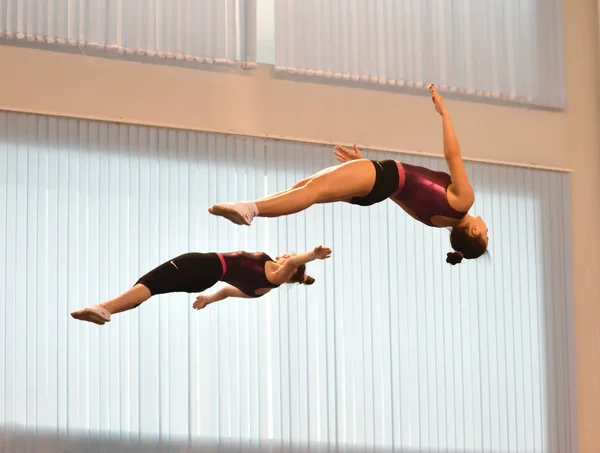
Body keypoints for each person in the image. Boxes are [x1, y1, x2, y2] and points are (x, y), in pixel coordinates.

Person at [209, 85, 488, 265]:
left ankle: (251, 209)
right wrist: (366, 171)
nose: (487, 229)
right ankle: (250, 208)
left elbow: (453, 156)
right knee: (306, 188)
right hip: (377, 185)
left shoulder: (464, 201)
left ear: (473, 232)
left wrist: (445, 114)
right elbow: (402, 194)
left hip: (381, 177)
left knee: (310, 190)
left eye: (486, 235)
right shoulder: (438, 222)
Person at [71, 246, 332, 325]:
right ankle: (106, 309)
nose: (285, 255)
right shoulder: (259, 291)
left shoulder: (275, 277)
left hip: (205, 267)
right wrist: (207, 299)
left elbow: (295, 260)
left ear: (291, 271)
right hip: (205, 278)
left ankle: (105, 309)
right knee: (150, 287)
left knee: (150, 283)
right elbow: (228, 291)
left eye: (289, 259)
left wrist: (312, 255)